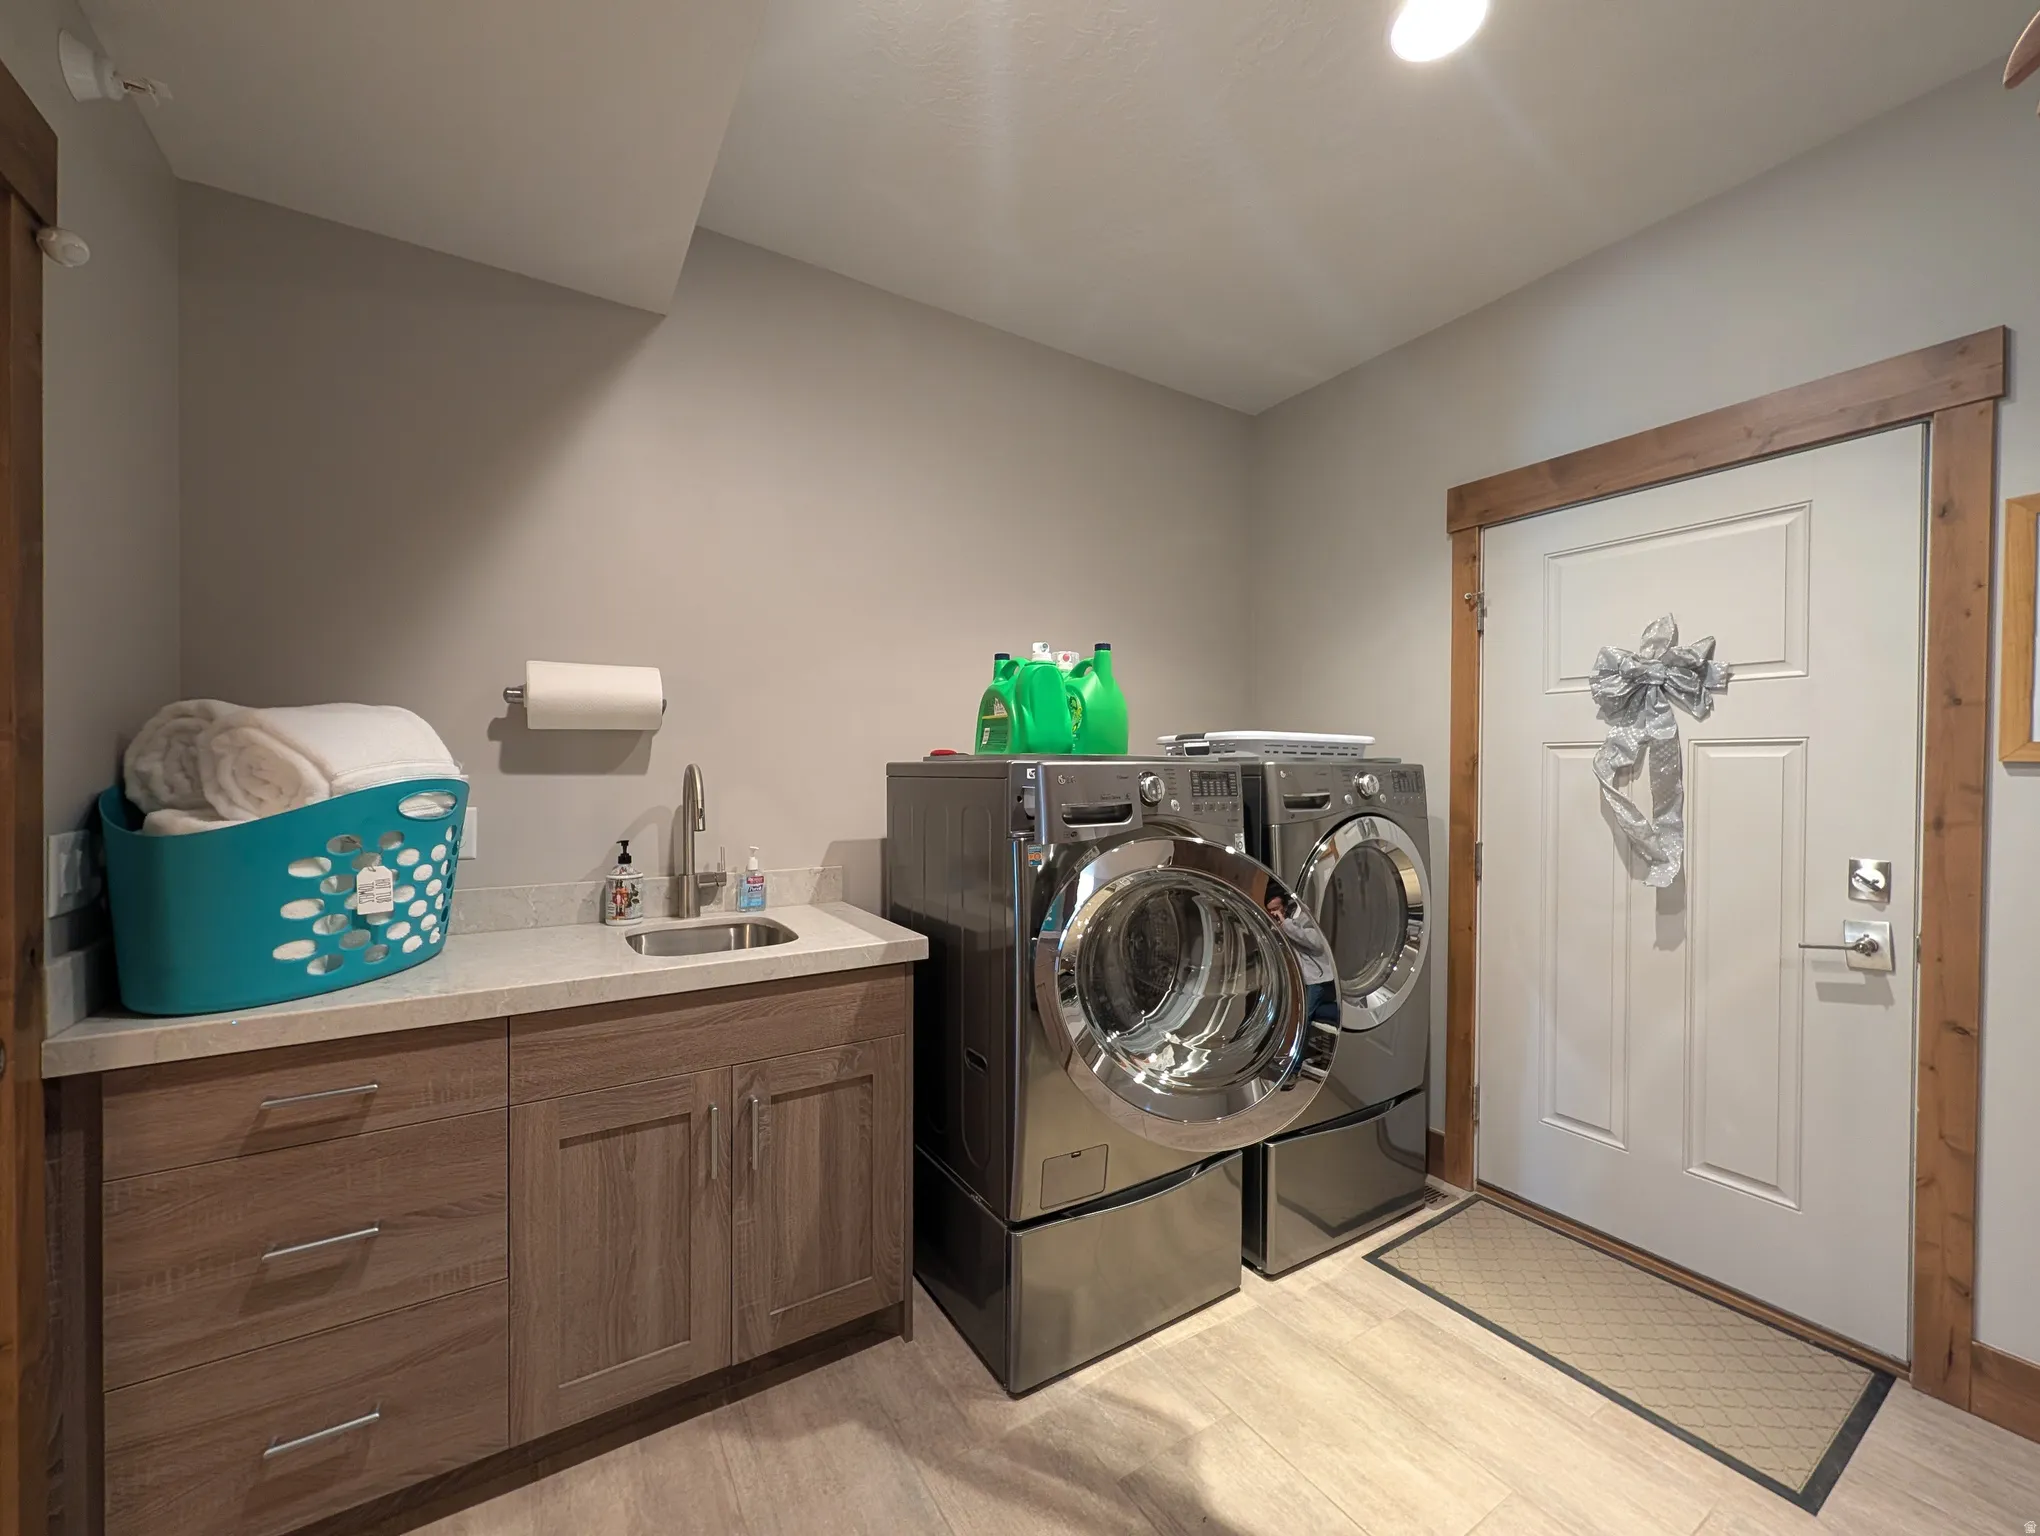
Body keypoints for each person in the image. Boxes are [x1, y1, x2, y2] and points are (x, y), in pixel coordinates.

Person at [1267, 890, 1340, 1025]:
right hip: (1301, 980)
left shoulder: (1303, 917)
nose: (1273, 913)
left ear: (1284, 906)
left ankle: (1341, 1013)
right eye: (1270, 910)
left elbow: (1316, 943)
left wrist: (1286, 924)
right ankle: (1339, 1012)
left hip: (1317, 978)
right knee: (1306, 1014)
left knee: (1301, 1020)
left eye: (1276, 909)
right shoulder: (1276, 928)